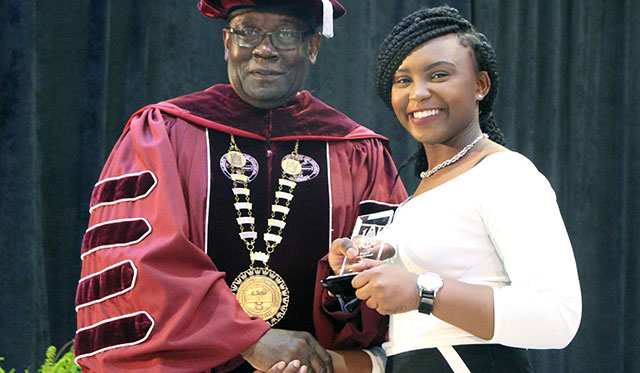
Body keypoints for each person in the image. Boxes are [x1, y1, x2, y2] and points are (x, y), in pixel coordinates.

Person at [73, 1, 407, 372]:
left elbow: (390, 279)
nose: (265, 49)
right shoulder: (162, 134)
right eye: (248, 31)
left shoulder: (357, 151)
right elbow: (140, 261)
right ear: (226, 41)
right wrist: (248, 339)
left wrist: (345, 288)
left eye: (286, 34)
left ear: (312, 48)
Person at [321, 6, 582, 373]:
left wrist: (422, 291)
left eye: (439, 75)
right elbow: (420, 343)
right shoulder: (420, 193)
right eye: (403, 80)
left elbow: (558, 318)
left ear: (480, 85)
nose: (419, 93)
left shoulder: (507, 174)